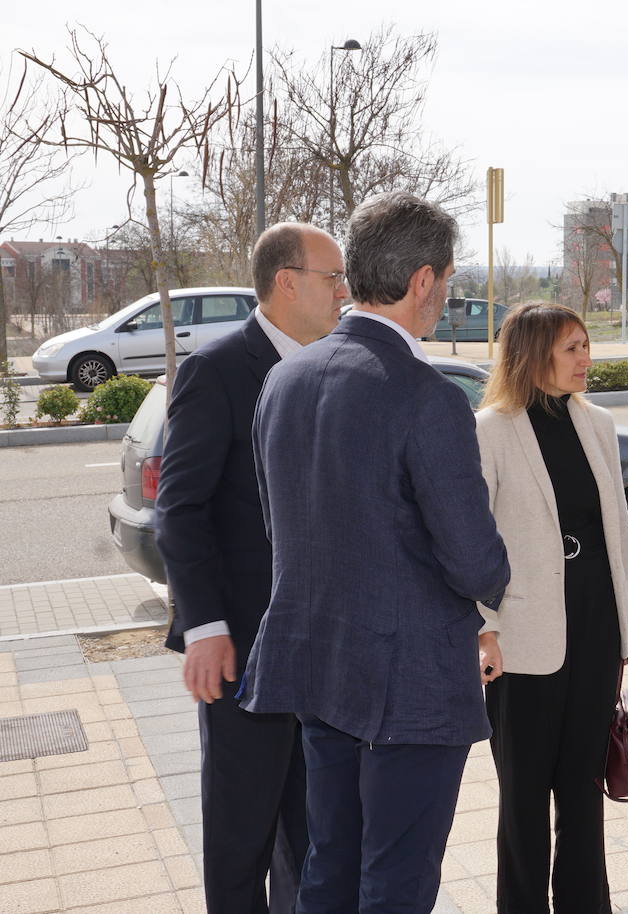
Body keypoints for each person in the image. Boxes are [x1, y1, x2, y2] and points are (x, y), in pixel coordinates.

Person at [238, 191, 510, 914]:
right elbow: (476, 561)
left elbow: (282, 524)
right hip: (410, 681)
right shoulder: (426, 395)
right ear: (424, 281)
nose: (445, 293)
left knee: (329, 863)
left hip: (320, 666)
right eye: (446, 279)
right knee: (397, 878)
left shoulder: (284, 377)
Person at [156, 221, 346, 914]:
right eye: (333, 278)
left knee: (316, 835)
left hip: (325, 648)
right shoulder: (218, 369)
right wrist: (205, 626)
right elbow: (180, 509)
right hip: (243, 650)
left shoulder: (334, 365)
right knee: (242, 834)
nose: (344, 292)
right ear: (287, 282)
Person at [473, 303, 628, 913]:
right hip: (523, 635)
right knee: (522, 795)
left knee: (583, 787)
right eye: (572, 348)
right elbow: (472, 540)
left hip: (596, 627)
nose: (585, 359)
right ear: (533, 353)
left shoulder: (596, 421)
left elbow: (617, 530)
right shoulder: (492, 428)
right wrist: (484, 629)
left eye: (585, 346)